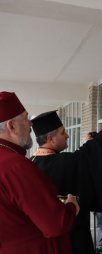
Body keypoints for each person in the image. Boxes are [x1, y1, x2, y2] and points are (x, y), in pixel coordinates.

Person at [30, 93, 102, 254]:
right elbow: (97, 148)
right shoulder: (64, 163)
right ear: (50, 138)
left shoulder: (30, 164)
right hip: (72, 241)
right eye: (62, 132)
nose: (67, 135)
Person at [0, 91, 80, 254]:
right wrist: (72, 206)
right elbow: (56, 225)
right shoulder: (16, 166)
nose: (30, 124)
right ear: (12, 126)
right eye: (26, 118)